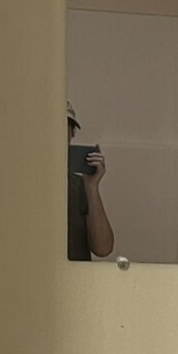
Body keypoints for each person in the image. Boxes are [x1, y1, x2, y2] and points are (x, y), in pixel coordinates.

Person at [66, 103, 115, 260]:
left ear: (72, 134)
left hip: (76, 279)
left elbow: (103, 248)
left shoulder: (79, 185)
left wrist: (91, 186)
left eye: (64, 129)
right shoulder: (25, 182)